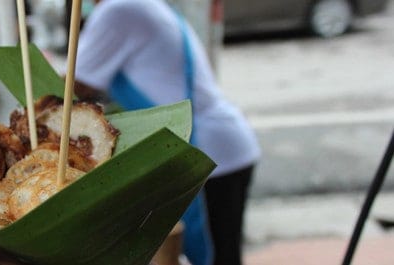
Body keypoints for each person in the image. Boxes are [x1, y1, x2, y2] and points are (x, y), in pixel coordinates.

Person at [72, 1, 261, 265]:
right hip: (223, 144)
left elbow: (75, 84)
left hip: (208, 154)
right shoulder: (144, 4)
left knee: (210, 256)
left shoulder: (119, 9)